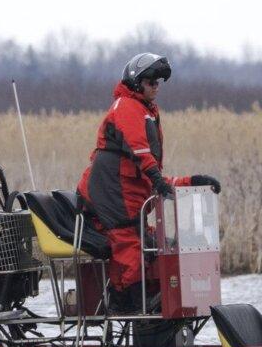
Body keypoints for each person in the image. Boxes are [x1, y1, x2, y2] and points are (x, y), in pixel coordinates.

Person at [77, 52, 220, 310]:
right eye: (151, 82)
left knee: (155, 247)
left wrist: (192, 182)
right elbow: (141, 152)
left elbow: (151, 174)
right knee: (130, 250)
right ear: (136, 82)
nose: (156, 87)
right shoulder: (126, 106)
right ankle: (131, 309)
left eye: (158, 83)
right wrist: (156, 178)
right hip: (111, 196)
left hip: (127, 199)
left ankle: (155, 312)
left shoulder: (146, 111)